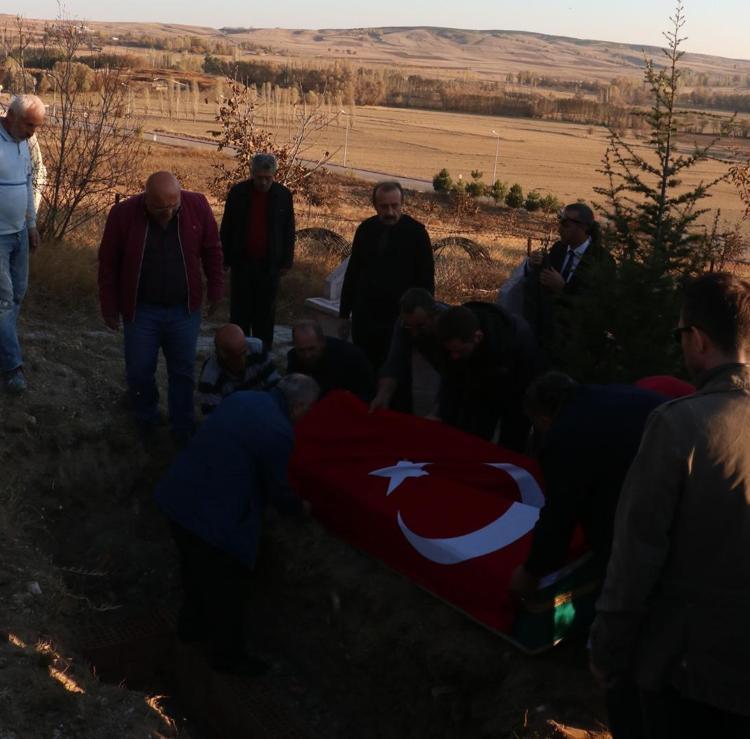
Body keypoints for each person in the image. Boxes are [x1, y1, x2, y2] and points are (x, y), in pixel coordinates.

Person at [590, 272, 750, 739]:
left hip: (690, 673)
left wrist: (606, 649)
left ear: (697, 338)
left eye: (681, 334)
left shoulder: (677, 425)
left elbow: (636, 555)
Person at [155, 374, 320, 675]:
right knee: (227, 590)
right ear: (299, 406)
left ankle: (190, 629)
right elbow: (278, 490)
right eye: (308, 411)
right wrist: (300, 508)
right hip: (213, 519)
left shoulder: (243, 398)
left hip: (178, 497)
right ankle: (227, 657)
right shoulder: (279, 431)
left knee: (193, 570)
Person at [509, 371, 666, 600]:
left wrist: (532, 571)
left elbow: (560, 513)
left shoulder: (566, 433)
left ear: (542, 418)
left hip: (651, 510)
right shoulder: (605, 397)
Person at [98, 171, 223, 443]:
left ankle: (182, 427)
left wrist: (216, 290)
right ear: (145, 200)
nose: (167, 213)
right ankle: (146, 420)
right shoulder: (123, 214)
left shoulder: (197, 205)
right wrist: (109, 306)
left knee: (183, 371)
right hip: (141, 310)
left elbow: (212, 250)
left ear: (179, 197)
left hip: (184, 310)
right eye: (159, 209)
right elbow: (108, 263)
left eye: (172, 206)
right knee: (139, 371)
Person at [339, 181, 434, 371]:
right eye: (384, 207)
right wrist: (344, 314)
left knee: (396, 372)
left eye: (394, 206)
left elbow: (426, 280)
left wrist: (422, 320)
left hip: (399, 319)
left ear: (402, 204)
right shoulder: (365, 230)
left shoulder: (417, 233)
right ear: (375, 206)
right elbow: (353, 273)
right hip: (365, 317)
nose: (390, 212)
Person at [436, 302, 541, 450]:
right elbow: (451, 384)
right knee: (470, 436)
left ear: (477, 337)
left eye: (459, 351)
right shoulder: (452, 335)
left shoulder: (513, 344)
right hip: (484, 379)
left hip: (515, 384)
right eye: (451, 351)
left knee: (511, 442)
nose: (454, 356)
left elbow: (517, 410)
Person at [220, 153, 295, 350]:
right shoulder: (238, 193)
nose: (263, 182)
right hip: (242, 263)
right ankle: (239, 350)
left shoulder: (283, 196)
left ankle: (263, 353)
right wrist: (224, 259)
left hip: (269, 265)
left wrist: (287, 261)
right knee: (240, 311)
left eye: (267, 178)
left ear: (274, 175)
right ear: (252, 173)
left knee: (265, 313)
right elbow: (227, 227)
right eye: (259, 177)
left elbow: (289, 230)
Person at [524, 202, 613, 357]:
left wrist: (563, 288)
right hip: (547, 339)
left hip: (578, 347)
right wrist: (533, 265)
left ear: (583, 227)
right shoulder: (558, 249)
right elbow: (539, 289)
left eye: (566, 224)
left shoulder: (602, 260)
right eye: (560, 222)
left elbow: (597, 305)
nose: (560, 229)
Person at [0, 94, 45, 394]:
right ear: (12, 117)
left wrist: (31, 226)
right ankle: (12, 366)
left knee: (18, 293)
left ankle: (4, 345)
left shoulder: (25, 144)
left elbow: (28, 184)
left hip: (19, 234)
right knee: (3, 301)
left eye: (36, 126)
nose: (33, 132)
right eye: (29, 125)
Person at [370, 287, 447, 415]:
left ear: (435, 316)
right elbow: (394, 362)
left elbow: (453, 376)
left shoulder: (447, 323)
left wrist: (437, 412)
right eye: (409, 326)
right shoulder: (404, 323)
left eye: (420, 326)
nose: (414, 333)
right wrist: (382, 395)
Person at [197, 323, 280, 415]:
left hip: (264, 407)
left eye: (244, 353)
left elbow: (275, 388)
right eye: (235, 357)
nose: (242, 361)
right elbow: (214, 417)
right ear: (221, 356)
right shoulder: (210, 378)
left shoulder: (258, 349)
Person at [286, 319, 374, 401]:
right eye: (301, 350)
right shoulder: (294, 357)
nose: (307, 355)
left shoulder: (349, 357)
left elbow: (367, 392)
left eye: (312, 349)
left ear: (322, 343)